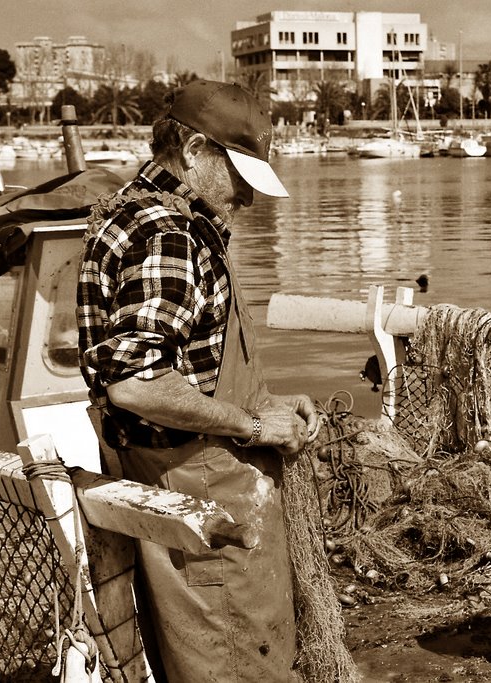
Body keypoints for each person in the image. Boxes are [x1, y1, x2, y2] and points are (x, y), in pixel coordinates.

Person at [77, 79, 318, 682]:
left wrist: (268, 402)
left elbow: (186, 366)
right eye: (239, 178)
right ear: (191, 151)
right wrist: (255, 423)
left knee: (199, 652)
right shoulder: (171, 236)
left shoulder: (132, 209)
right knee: (235, 659)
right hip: (202, 490)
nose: (248, 197)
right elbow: (134, 382)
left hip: (171, 475)